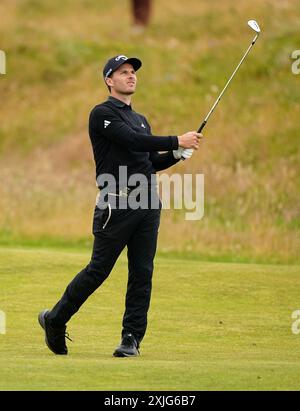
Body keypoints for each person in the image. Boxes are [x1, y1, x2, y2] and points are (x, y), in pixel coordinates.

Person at [38, 54, 202, 357]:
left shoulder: (141, 119)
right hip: (116, 202)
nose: (131, 76)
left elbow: (149, 161)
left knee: (142, 271)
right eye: (123, 72)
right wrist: (177, 140)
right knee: (99, 269)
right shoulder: (101, 113)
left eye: (133, 72)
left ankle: (131, 338)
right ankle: (55, 320)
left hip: (148, 202)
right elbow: (132, 141)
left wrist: (176, 156)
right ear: (109, 80)